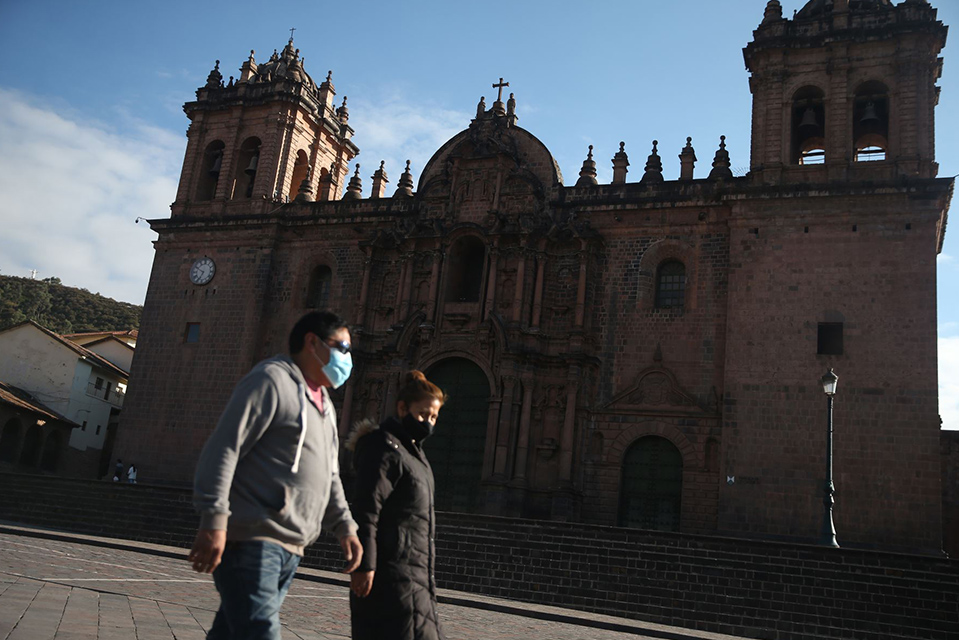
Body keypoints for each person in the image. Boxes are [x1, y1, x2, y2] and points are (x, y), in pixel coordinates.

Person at [189, 310, 363, 640]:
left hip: (292, 546)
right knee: (260, 632)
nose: (347, 357)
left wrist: (345, 526)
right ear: (312, 342)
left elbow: (330, 474)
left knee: (231, 633)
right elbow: (225, 447)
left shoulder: (325, 403)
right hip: (253, 539)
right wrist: (214, 519)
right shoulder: (270, 380)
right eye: (342, 347)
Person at [347, 370, 447, 640]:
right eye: (423, 415)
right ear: (402, 408)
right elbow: (366, 510)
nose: (428, 423)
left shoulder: (415, 456)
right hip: (390, 576)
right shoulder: (383, 448)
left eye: (434, 417)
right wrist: (364, 565)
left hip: (417, 575)